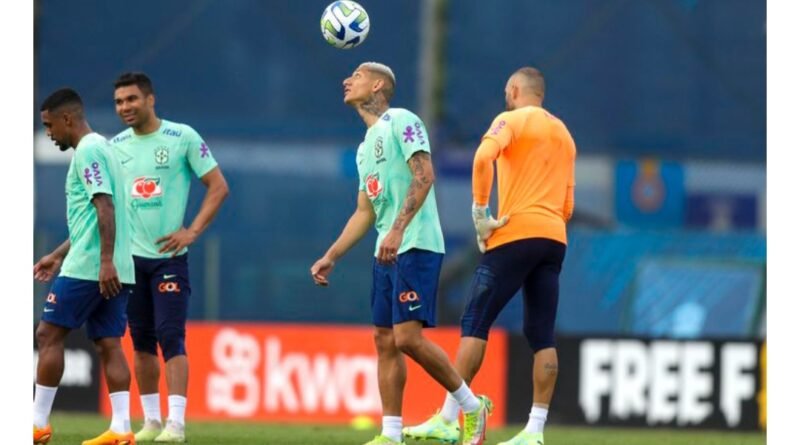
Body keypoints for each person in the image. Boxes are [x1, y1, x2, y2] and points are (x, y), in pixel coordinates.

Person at [310, 62, 493, 445]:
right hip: (387, 251)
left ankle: (472, 407)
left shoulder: (402, 121)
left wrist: (397, 229)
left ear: (378, 85)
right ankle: (391, 434)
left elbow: (424, 176)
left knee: (407, 338)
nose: (347, 80)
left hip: (416, 243)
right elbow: (364, 212)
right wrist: (332, 255)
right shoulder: (364, 149)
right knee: (384, 339)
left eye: (357, 76)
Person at [403, 67, 576, 445]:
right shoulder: (564, 133)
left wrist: (480, 212)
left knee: (475, 321)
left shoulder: (510, 120)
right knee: (541, 334)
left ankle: (450, 418)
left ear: (514, 89)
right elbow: (568, 203)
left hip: (515, 232)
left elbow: (483, 157)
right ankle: (534, 431)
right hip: (554, 238)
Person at [111, 72, 229, 442]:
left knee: (170, 335)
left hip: (169, 259)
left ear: (150, 99)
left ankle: (176, 423)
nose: (125, 107)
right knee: (141, 340)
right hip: (130, 262)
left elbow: (218, 186)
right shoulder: (114, 146)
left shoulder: (182, 137)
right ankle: (151, 421)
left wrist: (192, 231)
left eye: (132, 99)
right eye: (119, 102)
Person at [33, 88, 137, 445]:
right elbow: (92, 219)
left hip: (91, 267)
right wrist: (58, 254)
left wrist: (103, 262)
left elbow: (104, 206)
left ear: (67, 119)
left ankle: (37, 423)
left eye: (49, 125)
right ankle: (121, 429)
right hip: (115, 265)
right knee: (109, 343)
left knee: (48, 334)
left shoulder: (89, 150)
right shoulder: (105, 148)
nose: (48, 132)